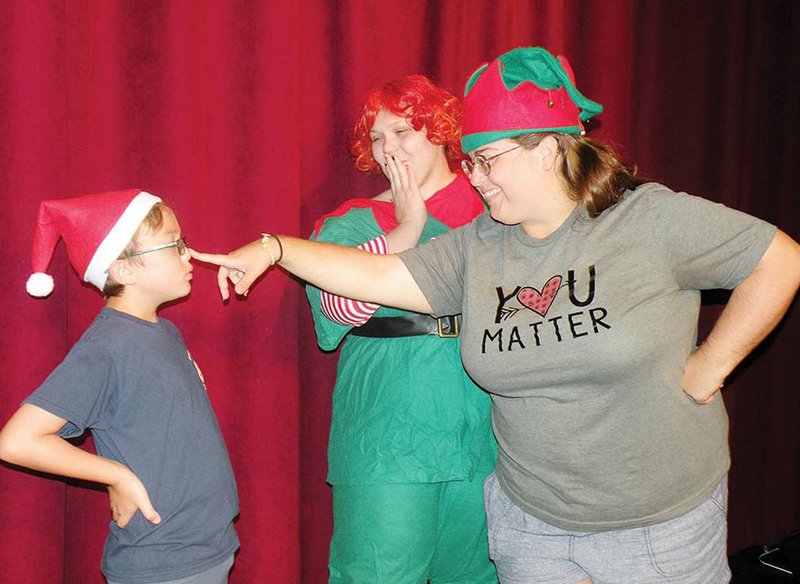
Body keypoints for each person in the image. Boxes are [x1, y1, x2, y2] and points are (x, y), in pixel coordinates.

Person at [192, 46, 800, 584]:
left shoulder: (621, 218)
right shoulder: (469, 239)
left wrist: (709, 367)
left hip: (631, 508)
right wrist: (279, 246)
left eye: (489, 160)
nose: (477, 178)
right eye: (472, 162)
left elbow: (777, 260)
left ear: (549, 150)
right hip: (486, 490)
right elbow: (362, 289)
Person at [306, 75, 497, 583]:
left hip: (486, 430)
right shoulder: (350, 222)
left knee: (478, 575)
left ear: (438, 130)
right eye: (376, 137)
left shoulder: (497, 210)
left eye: (403, 130)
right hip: (388, 436)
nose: (388, 147)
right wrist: (403, 230)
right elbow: (336, 307)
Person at [0, 190, 239, 584]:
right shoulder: (106, 349)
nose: (189, 255)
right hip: (163, 563)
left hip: (208, 548)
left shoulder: (165, 331)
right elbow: (17, 440)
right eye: (175, 245)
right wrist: (116, 475)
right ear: (123, 270)